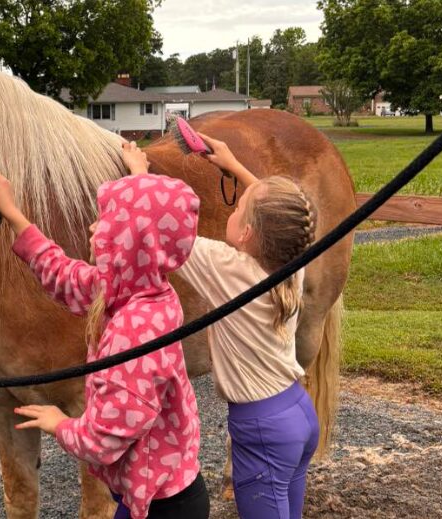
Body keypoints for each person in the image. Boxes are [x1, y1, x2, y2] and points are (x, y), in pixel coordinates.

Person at [0, 143, 209, 519]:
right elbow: (63, 274)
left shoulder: (135, 332)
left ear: (128, 242)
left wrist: (61, 424)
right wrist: (14, 214)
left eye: (105, 221)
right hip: (152, 492)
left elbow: (106, 438)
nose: (92, 226)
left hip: (162, 506)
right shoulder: (136, 287)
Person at [175, 133, 319, 519]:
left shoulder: (229, 268)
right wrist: (234, 166)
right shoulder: (294, 254)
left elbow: (164, 232)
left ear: (247, 234)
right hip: (297, 412)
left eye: (238, 208)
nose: (233, 211)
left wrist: (138, 174)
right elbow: (286, 217)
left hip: (262, 429)